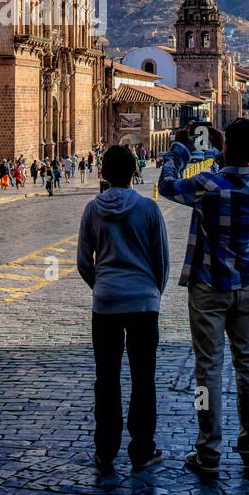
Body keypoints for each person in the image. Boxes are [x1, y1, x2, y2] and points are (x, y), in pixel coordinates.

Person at [159, 118, 249, 478]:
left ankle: (209, 450)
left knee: (207, 371)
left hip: (208, 288)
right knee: (247, 369)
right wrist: (227, 152)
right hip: (248, 290)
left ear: (224, 147)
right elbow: (236, 169)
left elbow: (167, 186)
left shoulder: (209, 183)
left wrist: (181, 148)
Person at [77, 144, 170, 473]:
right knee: (143, 378)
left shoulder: (92, 209)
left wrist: (101, 287)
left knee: (106, 378)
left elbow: (83, 262)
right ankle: (142, 450)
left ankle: (105, 450)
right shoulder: (148, 209)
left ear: (102, 173)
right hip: (143, 303)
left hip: (106, 304)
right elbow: (162, 261)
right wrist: (151, 293)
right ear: (135, 172)